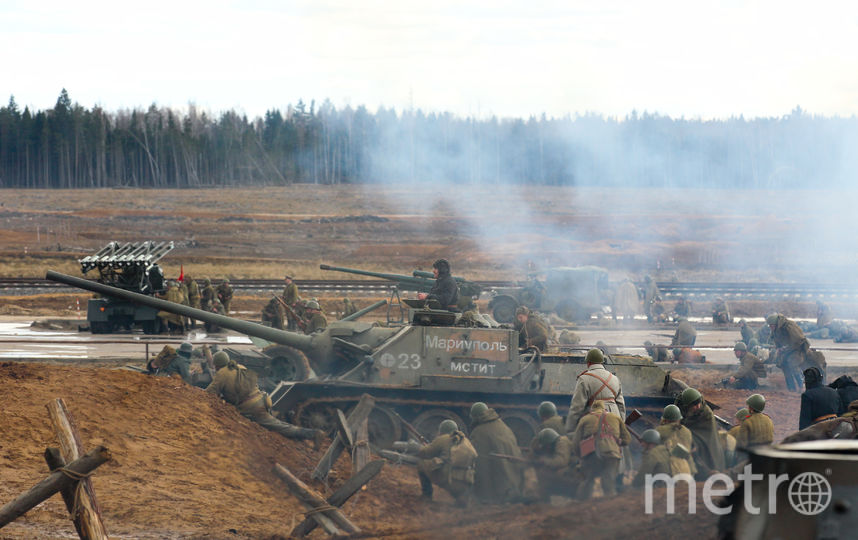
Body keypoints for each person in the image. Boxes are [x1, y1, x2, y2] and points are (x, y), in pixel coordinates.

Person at [206, 351, 324, 444]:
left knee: (279, 426)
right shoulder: (239, 367)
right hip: (262, 400)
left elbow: (209, 393)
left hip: (251, 408)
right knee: (277, 424)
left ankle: (312, 434)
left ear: (217, 364)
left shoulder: (221, 374)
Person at [569, 400, 631, 499]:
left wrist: (579, 456)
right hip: (612, 454)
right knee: (608, 481)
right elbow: (627, 439)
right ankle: (610, 507)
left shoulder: (585, 419)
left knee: (587, 480)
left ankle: (581, 506)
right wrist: (617, 443)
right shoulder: (616, 417)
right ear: (604, 408)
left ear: (592, 409)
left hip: (591, 454)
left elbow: (576, 442)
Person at [468, 402, 524, 503]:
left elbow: (479, 462)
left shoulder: (479, 432)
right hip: (514, 482)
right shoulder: (503, 425)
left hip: (498, 491)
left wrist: (482, 494)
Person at [415, 419, 477, 504]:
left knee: (422, 463)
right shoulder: (465, 441)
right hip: (465, 482)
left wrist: (419, 447)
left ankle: (427, 495)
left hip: (448, 479)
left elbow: (424, 453)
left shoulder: (442, 439)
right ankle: (461, 498)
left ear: (442, 430)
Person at [565, 348, 626, 433]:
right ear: (602, 362)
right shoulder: (615, 378)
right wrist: (621, 424)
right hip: (614, 420)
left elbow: (577, 407)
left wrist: (570, 429)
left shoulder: (584, 379)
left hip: (593, 420)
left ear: (588, 363)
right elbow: (621, 405)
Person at [676, 387, 725, 478]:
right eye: (694, 405)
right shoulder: (680, 408)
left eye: (698, 403)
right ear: (687, 406)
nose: (698, 407)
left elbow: (705, 432)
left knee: (695, 448)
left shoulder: (705, 413)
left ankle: (704, 473)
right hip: (690, 435)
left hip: (705, 439)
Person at [530, 428, 577, 499]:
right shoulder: (554, 443)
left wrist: (545, 461)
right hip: (570, 468)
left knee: (547, 475)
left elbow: (561, 461)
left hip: (574, 469)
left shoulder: (562, 442)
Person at [767, 313, 810, 392]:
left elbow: (798, 340)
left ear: (776, 324)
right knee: (784, 365)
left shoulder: (789, 326)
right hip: (787, 350)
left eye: (772, 326)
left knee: (793, 363)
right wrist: (779, 348)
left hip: (797, 348)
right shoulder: (775, 330)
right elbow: (776, 340)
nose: (770, 328)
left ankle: (802, 385)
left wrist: (787, 348)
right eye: (769, 326)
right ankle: (791, 388)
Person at [655, 404, 696, 475]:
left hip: (668, 470)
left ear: (665, 419)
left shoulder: (659, 430)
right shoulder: (687, 431)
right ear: (679, 419)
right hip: (686, 468)